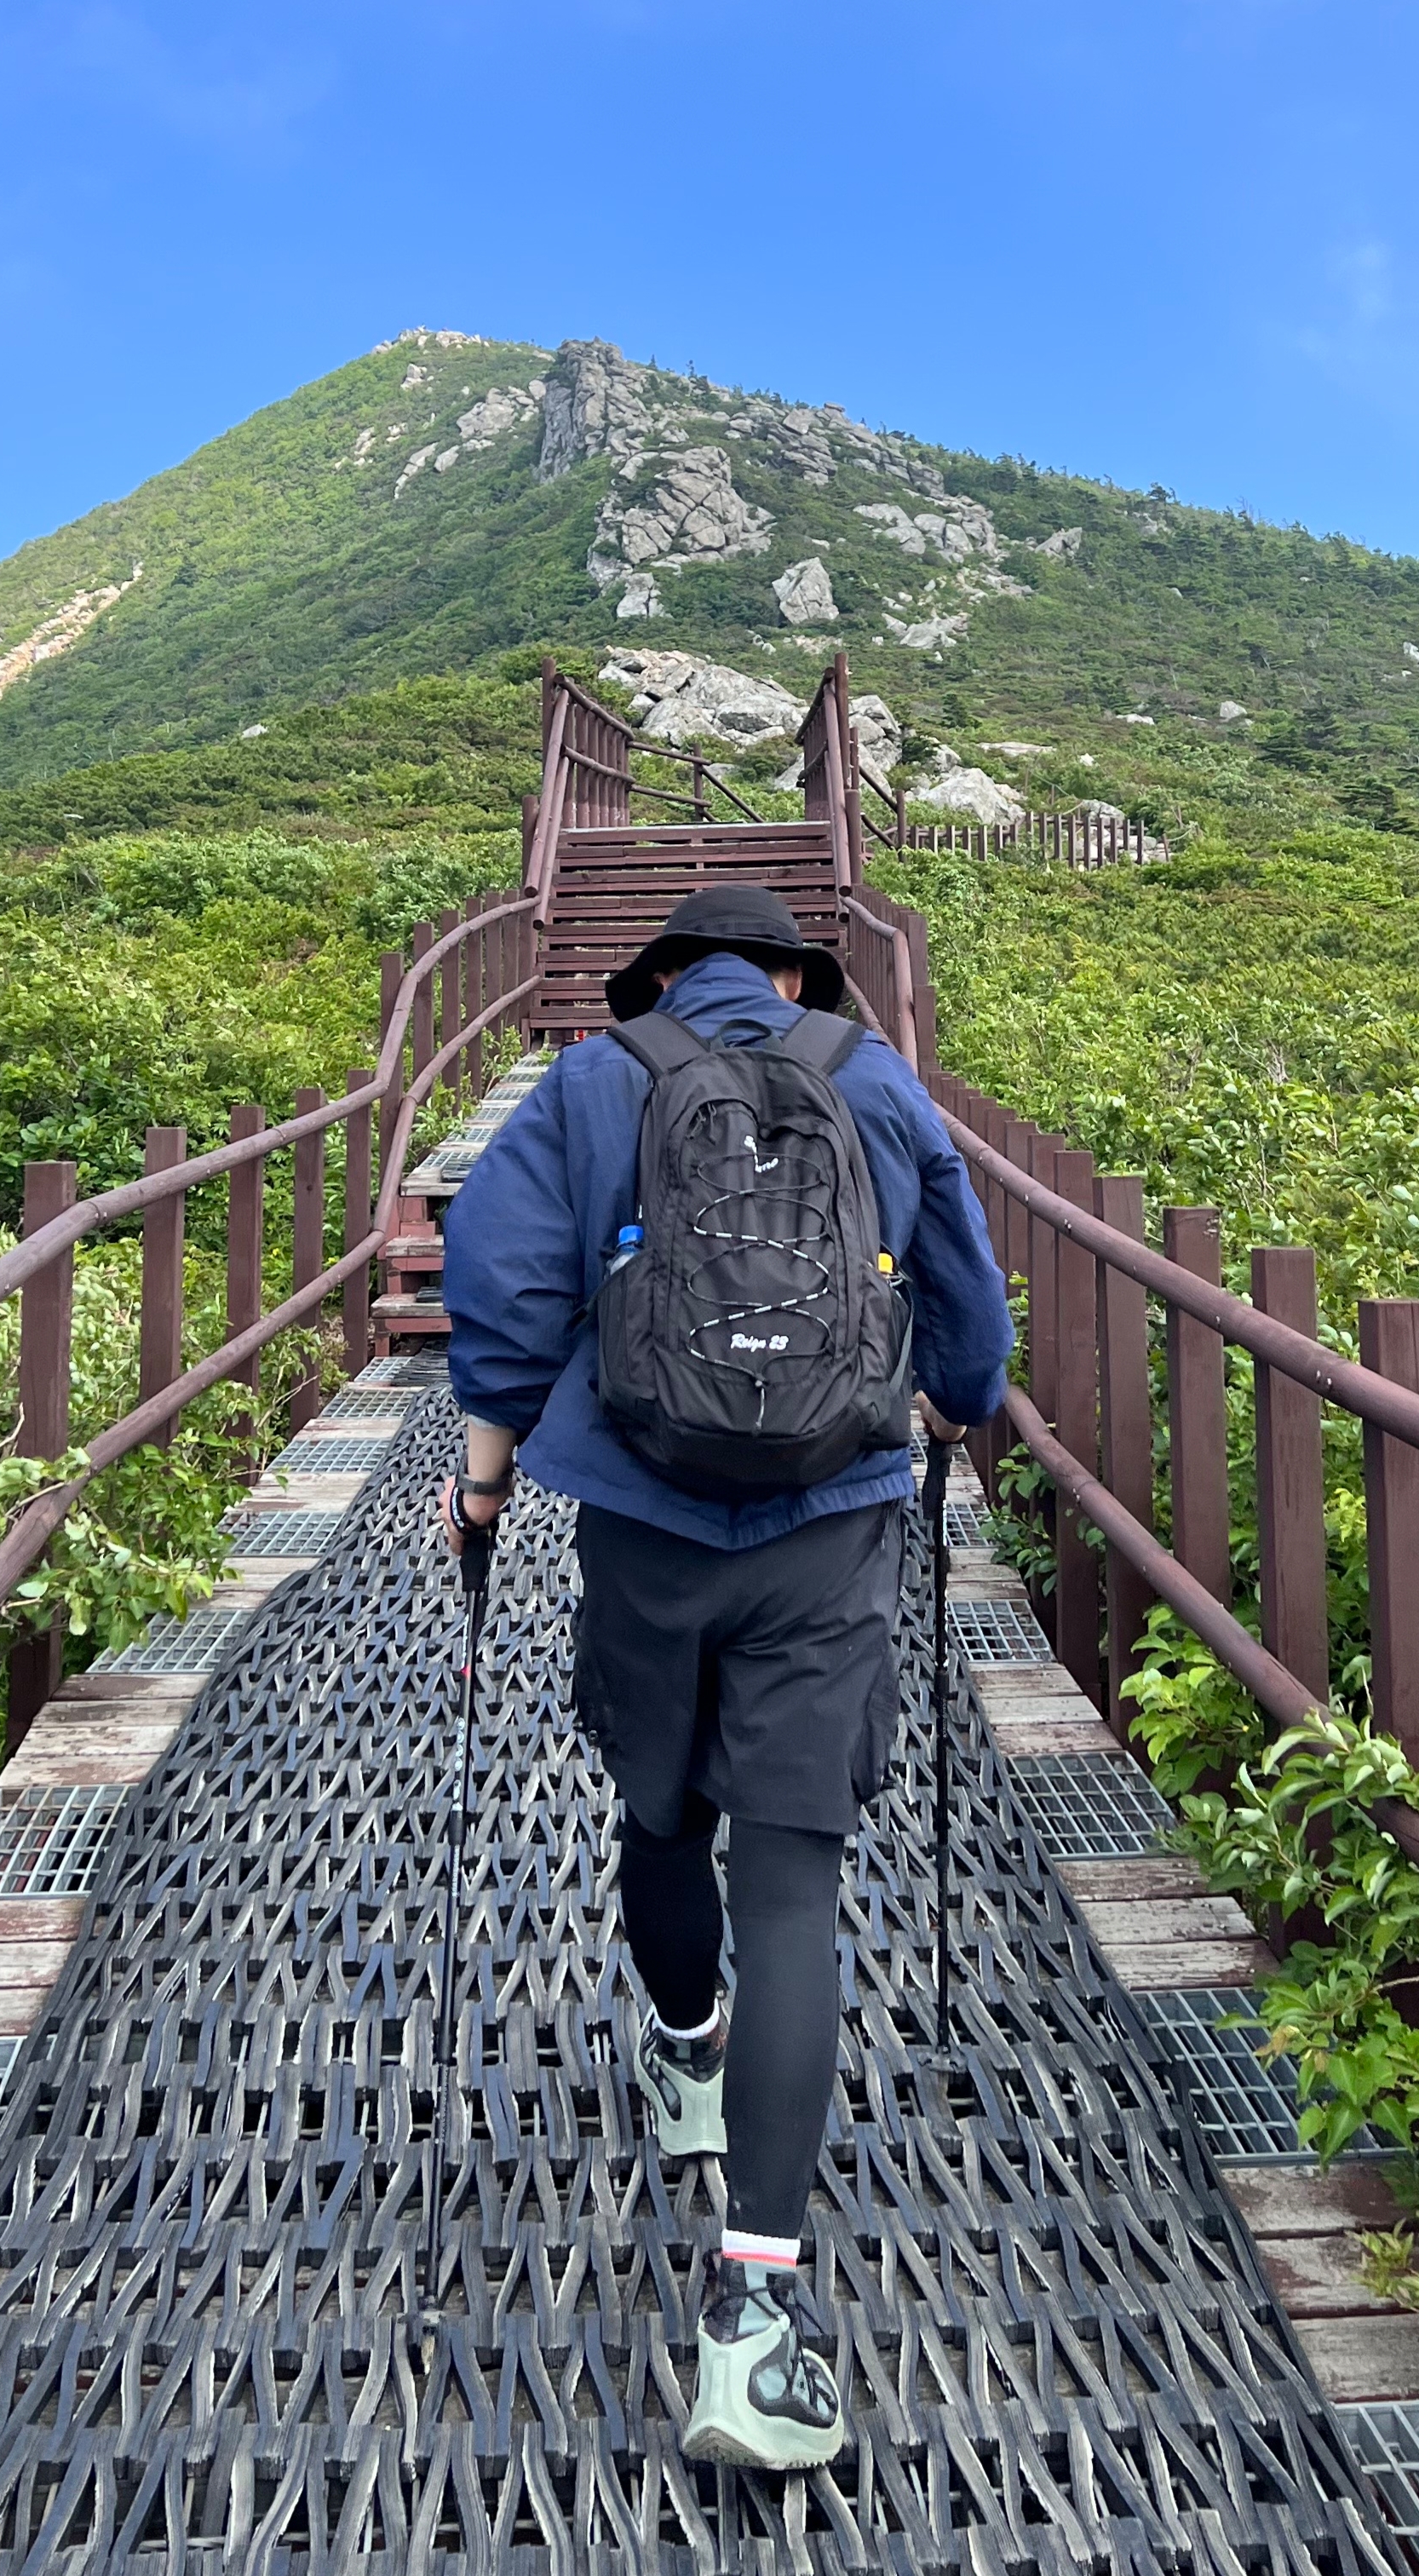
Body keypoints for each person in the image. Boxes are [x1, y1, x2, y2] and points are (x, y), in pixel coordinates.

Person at [439, 883, 1013, 2474]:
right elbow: (966, 1304)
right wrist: (953, 1407)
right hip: (834, 1519)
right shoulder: (874, 1073)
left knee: (655, 1809)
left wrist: (485, 1483)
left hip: (639, 1510)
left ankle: (684, 2053)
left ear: (667, 982)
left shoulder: (594, 1076)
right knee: (794, 1887)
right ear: (792, 976)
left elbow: (502, 1290)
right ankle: (754, 2328)